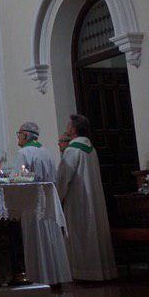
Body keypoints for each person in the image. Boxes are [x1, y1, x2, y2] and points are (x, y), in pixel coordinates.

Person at [57, 114, 117, 281]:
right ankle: (100, 272)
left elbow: (63, 178)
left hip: (79, 199)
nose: (66, 127)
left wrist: (58, 197)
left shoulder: (72, 150)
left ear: (74, 129)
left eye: (68, 125)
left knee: (80, 234)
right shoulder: (91, 149)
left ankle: (83, 273)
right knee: (93, 232)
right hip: (93, 198)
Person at [12, 121, 71, 286]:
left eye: (19, 134)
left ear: (25, 135)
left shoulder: (24, 153)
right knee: (49, 238)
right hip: (49, 202)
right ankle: (55, 276)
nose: (18, 137)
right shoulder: (46, 152)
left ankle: (38, 277)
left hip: (32, 203)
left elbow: (17, 180)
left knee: (35, 239)